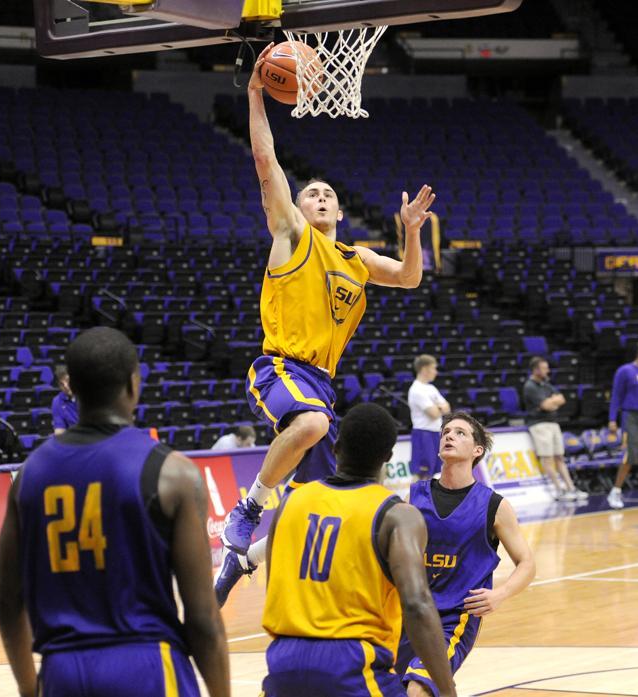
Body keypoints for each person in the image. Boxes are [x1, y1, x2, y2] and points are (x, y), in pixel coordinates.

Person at [216, 41, 437, 601]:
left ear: (340, 212)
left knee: (321, 499)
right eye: (309, 192)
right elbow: (266, 162)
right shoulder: (291, 237)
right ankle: (246, 510)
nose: (316, 196)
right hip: (280, 368)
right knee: (312, 425)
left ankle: (243, 562)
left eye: (326, 194)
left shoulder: (358, 260)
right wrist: (255, 96)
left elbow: (411, 278)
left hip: (321, 384)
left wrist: (411, 233)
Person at [0, 327, 230, 697]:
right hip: (147, 663)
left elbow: (7, 603)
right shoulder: (174, 472)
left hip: (63, 671)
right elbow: (202, 618)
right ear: (133, 385)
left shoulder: (29, 476)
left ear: (73, 387)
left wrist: (29, 688)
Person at [261, 403, 456, 697]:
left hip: (282, 662)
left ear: (336, 448)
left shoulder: (289, 503)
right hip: (352, 665)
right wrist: (446, 690)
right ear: (388, 458)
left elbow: (273, 585)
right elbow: (416, 603)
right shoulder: (396, 514)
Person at [396, 412, 536, 696]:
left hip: (454, 617)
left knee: (418, 689)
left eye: (460, 433)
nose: (449, 435)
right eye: (446, 431)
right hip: (409, 612)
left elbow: (527, 563)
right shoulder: (414, 495)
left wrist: (500, 594)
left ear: (477, 450)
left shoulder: (494, 505)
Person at [522, 356, 587, 502]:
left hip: (553, 423)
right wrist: (551, 402)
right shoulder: (529, 386)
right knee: (548, 458)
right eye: (545, 368)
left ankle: (571, 488)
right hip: (539, 425)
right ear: (536, 369)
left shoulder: (546, 384)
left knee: (559, 457)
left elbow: (562, 399)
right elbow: (546, 406)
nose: (548, 371)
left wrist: (551, 402)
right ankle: (559, 490)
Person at [408, 355, 450, 478]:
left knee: (433, 472)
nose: (436, 372)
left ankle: (428, 497)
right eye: (434, 368)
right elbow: (434, 414)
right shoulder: (416, 390)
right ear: (425, 369)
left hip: (435, 433)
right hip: (423, 434)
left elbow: (447, 408)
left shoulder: (431, 388)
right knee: (422, 473)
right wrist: (440, 407)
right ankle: (415, 497)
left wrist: (439, 408)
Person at [607, 347, 638, 509]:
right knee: (631, 455)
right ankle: (616, 490)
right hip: (631, 416)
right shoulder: (625, 370)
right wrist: (612, 419)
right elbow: (616, 395)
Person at [51, 364, 78, 434]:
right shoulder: (57, 401)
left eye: (67, 380)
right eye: (61, 384)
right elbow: (59, 432)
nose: (65, 386)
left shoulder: (89, 394)